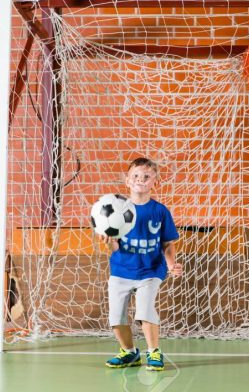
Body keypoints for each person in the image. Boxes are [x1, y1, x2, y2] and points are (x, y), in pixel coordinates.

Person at [97, 157, 183, 371]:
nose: (140, 180)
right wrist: (110, 243)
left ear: (155, 182)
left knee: (144, 310)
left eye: (146, 177)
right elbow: (116, 248)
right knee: (116, 317)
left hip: (150, 271)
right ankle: (129, 352)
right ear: (127, 181)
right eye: (135, 176)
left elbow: (168, 243)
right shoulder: (116, 209)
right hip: (121, 270)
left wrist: (171, 264)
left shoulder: (160, 211)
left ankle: (154, 351)